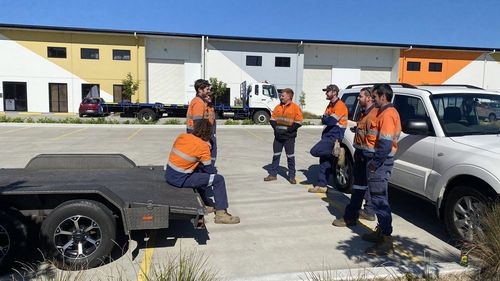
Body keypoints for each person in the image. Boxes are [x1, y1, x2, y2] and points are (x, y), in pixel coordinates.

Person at [165, 119, 240, 224]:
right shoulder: (203, 146)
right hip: (180, 179)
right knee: (218, 179)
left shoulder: (182, 136)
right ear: (208, 133)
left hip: (169, 175)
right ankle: (221, 215)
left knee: (199, 171)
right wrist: (207, 149)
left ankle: (204, 204)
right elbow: (209, 170)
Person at [360, 84, 401, 255]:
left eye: (375, 96)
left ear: (383, 96)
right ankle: (381, 232)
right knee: (378, 200)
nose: (373, 98)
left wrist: (374, 164)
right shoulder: (383, 112)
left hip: (381, 163)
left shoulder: (388, 114)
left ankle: (386, 241)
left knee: (380, 200)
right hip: (380, 162)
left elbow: (384, 145)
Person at [332, 87, 378, 228]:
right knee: (368, 185)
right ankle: (369, 211)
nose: (358, 99)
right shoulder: (365, 113)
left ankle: (350, 217)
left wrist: (365, 154)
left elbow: (373, 138)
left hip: (366, 156)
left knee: (358, 187)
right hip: (364, 154)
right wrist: (358, 128)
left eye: (360, 96)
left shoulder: (373, 115)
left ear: (369, 98)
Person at [308, 84, 348, 193]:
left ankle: (339, 151)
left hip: (334, 135)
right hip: (328, 134)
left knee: (314, 151)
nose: (326, 93)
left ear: (334, 92)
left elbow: (330, 121)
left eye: (327, 91)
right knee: (324, 162)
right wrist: (326, 119)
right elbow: (324, 119)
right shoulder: (330, 105)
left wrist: (327, 119)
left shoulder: (340, 105)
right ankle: (322, 185)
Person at [264, 88, 303, 184]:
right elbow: (272, 119)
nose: (281, 97)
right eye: (281, 95)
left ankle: (291, 176)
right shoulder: (278, 107)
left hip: (289, 137)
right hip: (278, 137)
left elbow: (298, 122)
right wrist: (276, 129)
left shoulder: (295, 108)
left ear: (289, 97)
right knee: (276, 155)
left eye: (283, 95)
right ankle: (273, 174)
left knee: (290, 157)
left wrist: (288, 131)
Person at [186, 79, 217, 165]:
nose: (208, 92)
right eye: (207, 89)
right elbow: (198, 124)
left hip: (196, 133)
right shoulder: (198, 102)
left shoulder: (199, 101)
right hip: (195, 133)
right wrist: (205, 140)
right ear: (200, 89)